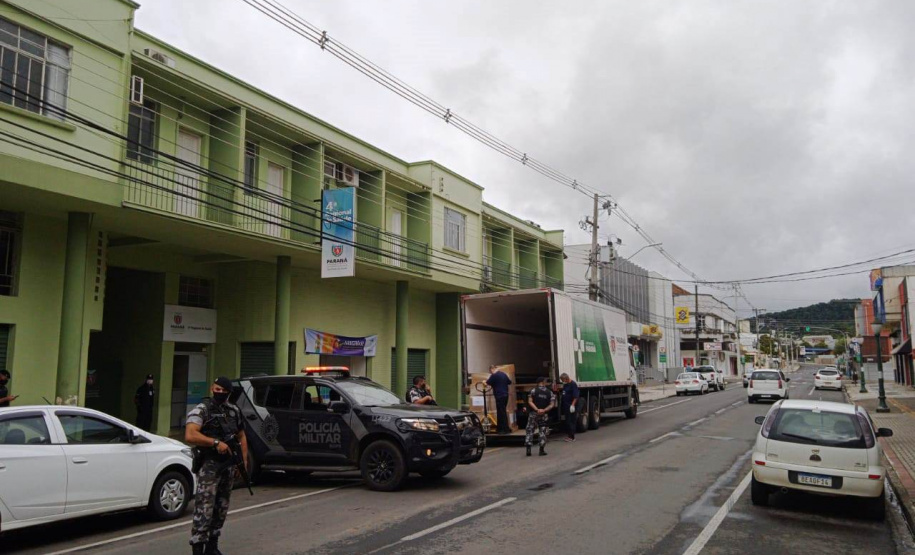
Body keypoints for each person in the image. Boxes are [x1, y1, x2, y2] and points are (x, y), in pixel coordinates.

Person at [185, 377, 247, 555]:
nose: (219, 392)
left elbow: (241, 436)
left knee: (221, 508)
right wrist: (214, 443)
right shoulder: (202, 409)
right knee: (204, 508)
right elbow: (190, 435)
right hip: (209, 466)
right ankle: (198, 548)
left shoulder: (233, 411)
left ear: (229, 392)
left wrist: (242, 463)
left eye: (223, 390)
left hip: (228, 466)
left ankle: (212, 547)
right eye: (216, 389)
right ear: (212, 388)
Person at [525, 377, 554, 457]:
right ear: (542, 382)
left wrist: (537, 409)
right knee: (542, 431)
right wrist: (544, 410)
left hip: (533, 414)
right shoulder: (549, 392)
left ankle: (528, 449)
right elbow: (552, 404)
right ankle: (541, 450)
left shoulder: (533, 391)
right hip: (544, 415)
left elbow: (530, 402)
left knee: (530, 430)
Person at [486, 365, 513, 434]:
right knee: (502, 411)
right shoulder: (504, 374)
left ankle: (504, 430)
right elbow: (509, 382)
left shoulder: (494, 375)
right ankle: (503, 428)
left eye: (490, 371)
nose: (491, 372)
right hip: (505, 396)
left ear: (492, 369)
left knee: (501, 412)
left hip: (499, 396)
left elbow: (488, 382)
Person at [559, 373, 580, 442]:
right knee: (567, 421)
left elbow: (575, 396)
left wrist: (573, 405)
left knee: (571, 421)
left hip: (571, 406)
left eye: (562, 380)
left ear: (566, 378)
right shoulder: (566, 385)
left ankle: (572, 437)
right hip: (566, 405)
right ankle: (569, 436)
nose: (562, 381)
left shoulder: (573, 384)